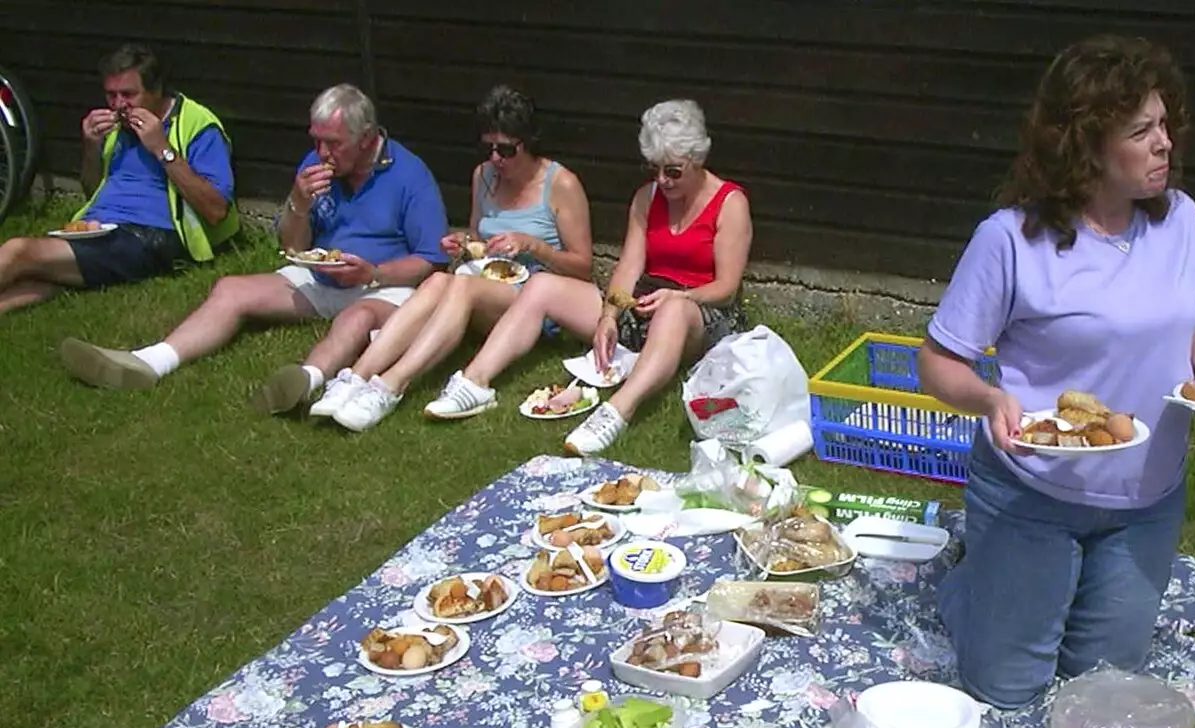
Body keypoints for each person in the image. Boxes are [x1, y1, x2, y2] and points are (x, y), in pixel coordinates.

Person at [920, 35, 1195, 710]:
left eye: (1165, 123)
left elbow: (1191, 318)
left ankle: (1037, 589)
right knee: (1008, 687)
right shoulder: (1011, 239)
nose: (1164, 142)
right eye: (1141, 130)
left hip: (1145, 503)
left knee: (1098, 688)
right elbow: (937, 361)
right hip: (1033, 493)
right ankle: (971, 584)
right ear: (1084, 145)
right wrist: (988, 395)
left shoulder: (1181, 220)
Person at [59, 83, 449, 407]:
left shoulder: (410, 175)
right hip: (323, 274)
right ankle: (149, 362)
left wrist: (373, 272)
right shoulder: (314, 164)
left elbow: (431, 261)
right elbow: (292, 244)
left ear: (366, 140)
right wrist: (299, 202)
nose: (323, 153)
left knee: (355, 319)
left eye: (333, 144)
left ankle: (306, 380)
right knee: (230, 289)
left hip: (383, 285)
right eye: (316, 141)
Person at [419, 98, 752, 455]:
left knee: (672, 311)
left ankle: (616, 411)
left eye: (672, 171)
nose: (661, 180)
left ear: (698, 160)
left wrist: (681, 297)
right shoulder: (646, 197)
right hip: (644, 301)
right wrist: (609, 315)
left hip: (698, 309)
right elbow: (628, 266)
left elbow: (726, 288)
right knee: (542, 284)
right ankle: (475, 382)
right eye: (653, 168)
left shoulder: (730, 203)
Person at [316, 85, 594, 431]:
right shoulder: (484, 176)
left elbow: (583, 267)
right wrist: (465, 244)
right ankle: (356, 377)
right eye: (489, 147)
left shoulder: (561, 184)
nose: (496, 158)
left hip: (537, 302)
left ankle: (391, 385)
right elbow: (479, 237)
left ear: (529, 143)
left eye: (506, 150)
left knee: (461, 286)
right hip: (490, 287)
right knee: (437, 280)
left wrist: (533, 245)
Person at [0, 43, 237, 316]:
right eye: (111, 95)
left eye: (128, 94)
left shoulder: (197, 125)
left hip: (150, 236)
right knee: (43, 277)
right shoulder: (117, 128)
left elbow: (216, 210)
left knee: (19, 251)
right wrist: (91, 146)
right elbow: (92, 190)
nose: (118, 104)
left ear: (156, 90)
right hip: (97, 227)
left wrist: (163, 149)